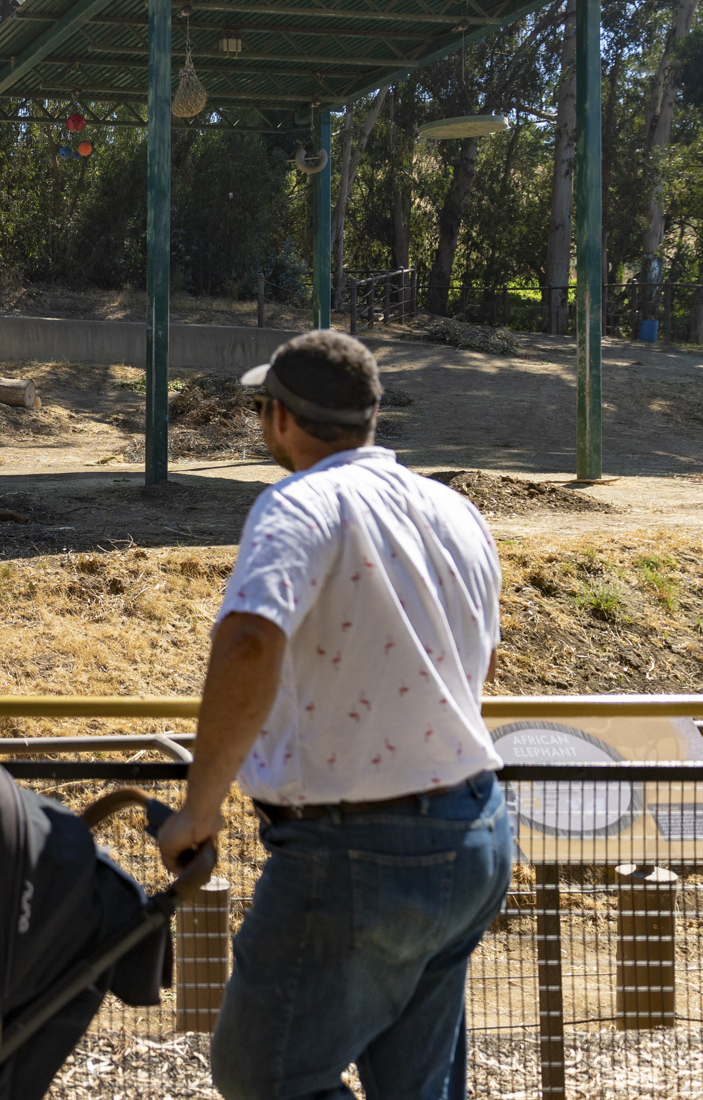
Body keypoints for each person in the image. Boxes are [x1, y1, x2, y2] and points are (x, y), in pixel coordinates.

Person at [156, 330, 513, 1100]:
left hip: (358, 850)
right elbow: (478, 664)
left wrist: (199, 806)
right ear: (369, 419)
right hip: (477, 832)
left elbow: (251, 638)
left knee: (264, 1070)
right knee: (415, 1086)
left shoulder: (298, 504)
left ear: (279, 417)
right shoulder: (455, 512)